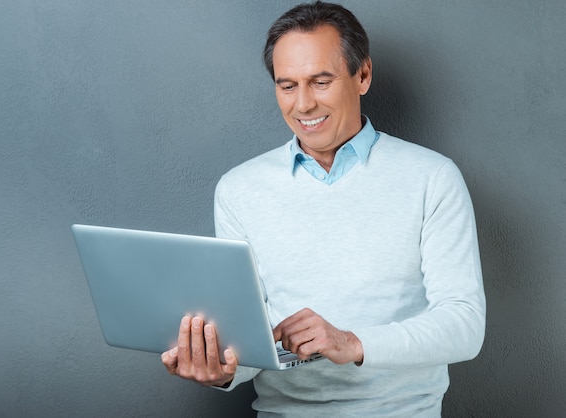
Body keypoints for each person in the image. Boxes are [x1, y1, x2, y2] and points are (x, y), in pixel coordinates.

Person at [162, 1, 486, 416]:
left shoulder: (433, 178)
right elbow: (252, 336)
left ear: (362, 75)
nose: (303, 105)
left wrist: (351, 343)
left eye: (320, 81)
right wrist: (221, 370)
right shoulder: (239, 190)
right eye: (287, 85)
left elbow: (464, 326)